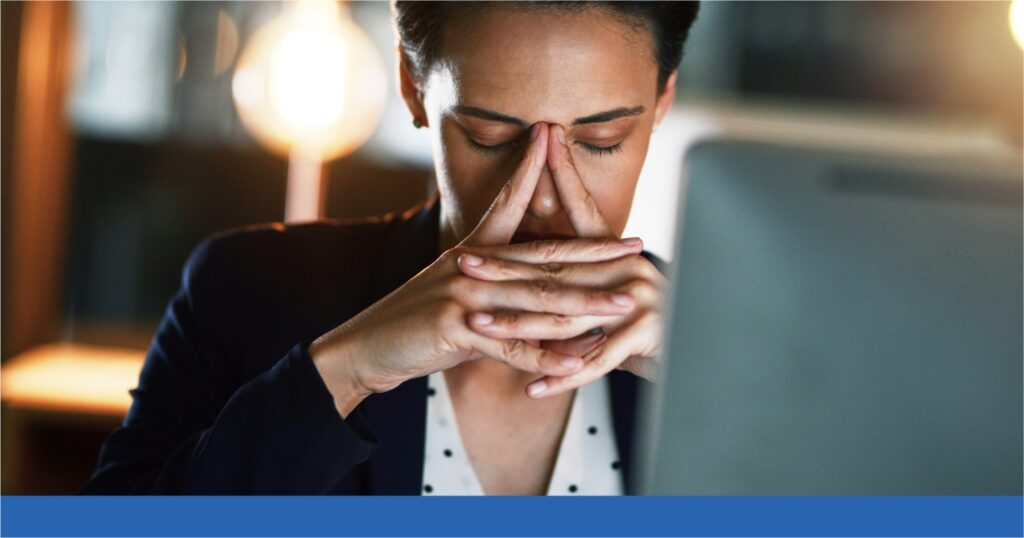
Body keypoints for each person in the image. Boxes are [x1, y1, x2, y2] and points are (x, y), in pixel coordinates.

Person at [83, 0, 700, 495]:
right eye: (489, 137)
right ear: (411, 88)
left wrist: (707, 381)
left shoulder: (723, 347)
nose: (542, 198)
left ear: (663, 99)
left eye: (600, 139)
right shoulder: (243, 291)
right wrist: (348, 370)